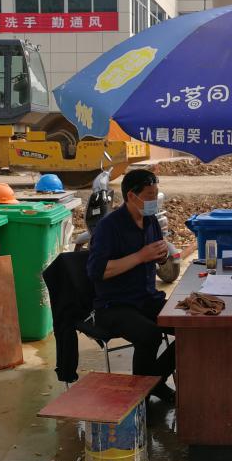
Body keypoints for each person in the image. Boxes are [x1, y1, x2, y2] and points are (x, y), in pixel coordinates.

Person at [86, 168, 175, 402]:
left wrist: (161, 256)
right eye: (149, 196)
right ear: (131, 196)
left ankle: (153, 383)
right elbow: (96, 271)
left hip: (147, 299)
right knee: (150, 335)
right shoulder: (109, 227)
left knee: (192, 329)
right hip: (115, 305)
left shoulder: (151, 220)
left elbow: (156, 256)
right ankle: (141, 397)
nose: (154, 200)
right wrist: (140, 256)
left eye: (156, 194)